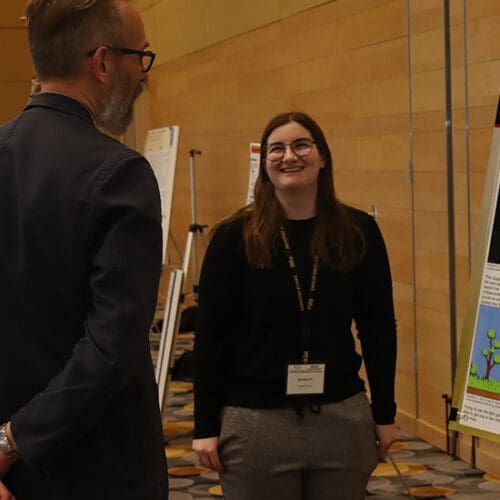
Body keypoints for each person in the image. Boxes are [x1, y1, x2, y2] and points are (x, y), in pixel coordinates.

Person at [0, 1, 168, 498]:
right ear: (101, 63)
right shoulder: (120, 174)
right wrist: (12, 441)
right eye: (140, 56)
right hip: (96, 470)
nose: (143, 74)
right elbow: (111, 347)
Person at [192, 112, 397, 500]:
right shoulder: (233, 238)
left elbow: (379, 328)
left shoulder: (358, 232)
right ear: (264, 164)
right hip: (255, 426)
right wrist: (204, 424)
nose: (289, 155)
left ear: (323, 158)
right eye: (276, 148)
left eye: (301, 144)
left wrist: (384, 412)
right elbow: (211, 337)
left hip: (341, 419)